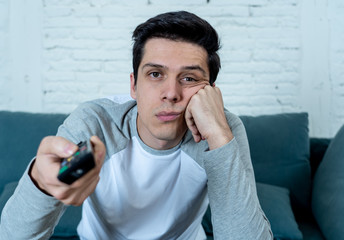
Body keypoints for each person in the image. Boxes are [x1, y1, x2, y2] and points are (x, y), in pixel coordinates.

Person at [0, 11, 272, 239]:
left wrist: (220, 135)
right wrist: (39, 182)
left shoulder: (222, 129)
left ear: (210, 93)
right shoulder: (96, 122)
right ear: (133, 85)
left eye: (189, 78)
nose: (171, 93)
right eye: (155, 74)